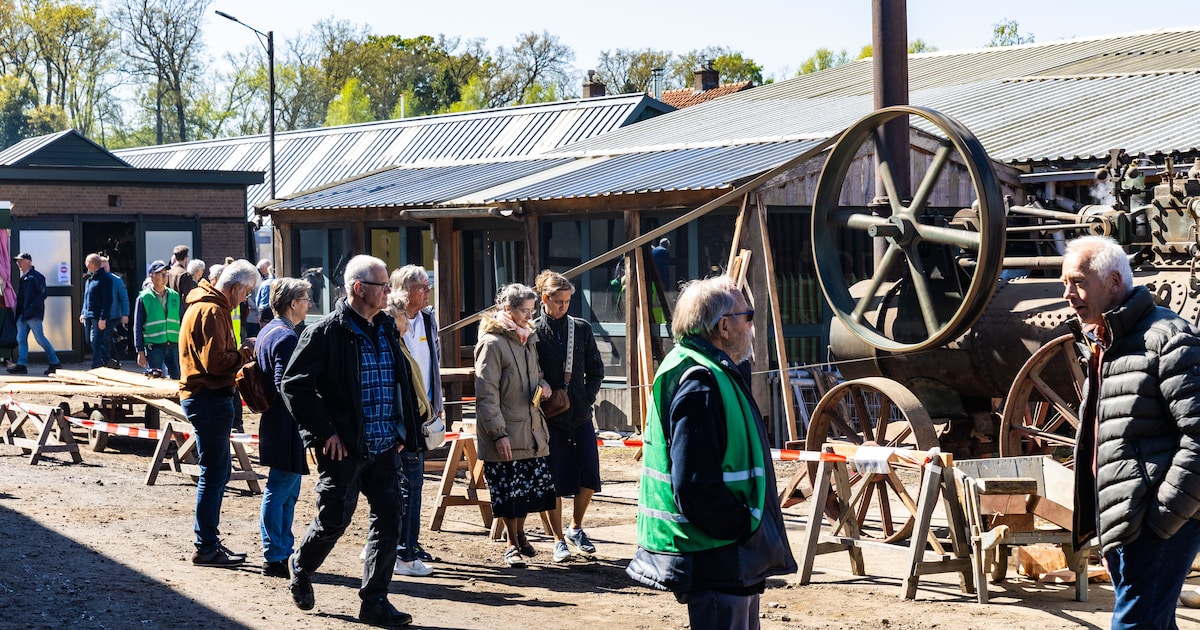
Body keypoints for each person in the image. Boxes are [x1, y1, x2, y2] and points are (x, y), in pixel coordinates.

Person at [626, 276, 795, 630]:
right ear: (724, 327)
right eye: (747, 316)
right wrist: (741, 525)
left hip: (730, 555)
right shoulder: (699, 382)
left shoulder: (712, 372)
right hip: (718, 556)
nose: (751, 326)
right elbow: (694, 487)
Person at [1063, 235, 1200, 629]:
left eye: (1078, 282)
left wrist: (1161, 521)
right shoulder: (1106, 344)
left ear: (1114, 282)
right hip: (1126, 520)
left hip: (1154, 520)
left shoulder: (1168, 338)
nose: (1068, 294)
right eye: (1065, 284)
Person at [281, 255, 422, 627]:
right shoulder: (325, 332)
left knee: (390, 520)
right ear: (360, 289)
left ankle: (374, 601)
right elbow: (294, 387)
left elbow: (401, 381)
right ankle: (301, 565)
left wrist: (404, 428)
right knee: (333, 519)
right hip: (344, 447)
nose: (389, 292)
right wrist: (325, 432)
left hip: (385, 445)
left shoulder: (387, 328)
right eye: (383, 286)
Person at [179, 259, 258, 568]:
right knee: (214, 476)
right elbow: (215, 363)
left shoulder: (205, 304)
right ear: (236, 286)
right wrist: (246, 352)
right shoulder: (212, 310)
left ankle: (208, 543)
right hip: (209, 397)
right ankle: (206, 546)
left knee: (216, 474)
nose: (247, 299)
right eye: (247, 292)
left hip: (205, 397)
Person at [474, 283, 558, 568]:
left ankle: (520, 534)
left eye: (531, 311)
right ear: (507, 309)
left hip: (531, 427)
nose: (529, 316)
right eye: (524, 311)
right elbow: (487, 394)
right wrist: (498, 433)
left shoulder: (528, 339)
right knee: (510, 491)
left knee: (527, 490)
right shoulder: (492, 343)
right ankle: (510, 543)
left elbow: (535, 373)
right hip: (507, 430)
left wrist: (543, 383)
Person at [532, 270, 605, 562]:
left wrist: (585, 398)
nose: (563, 307)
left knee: (589, 475)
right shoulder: (534, 331)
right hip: (549, 418)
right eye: (558, 301)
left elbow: (596, 370)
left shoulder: (582, 328)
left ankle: (576, 527)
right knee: (553, 480)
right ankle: (557, 538)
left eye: (567, 301)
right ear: (545, 299)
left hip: (581, 415)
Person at [257, 277, 312, 579]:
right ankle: (275, 554)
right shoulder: (286, 337)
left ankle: (279, 551)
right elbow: (284, 385)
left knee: (286, 489)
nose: (309, 304)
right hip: (285, 423)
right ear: (293, 304)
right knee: (280, 490)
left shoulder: (269, 330)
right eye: (305, 299)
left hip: (278, 422)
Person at [390, 265, 442, 575]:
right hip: (401, 418)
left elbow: (434, 360)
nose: (428, 291)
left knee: (414, 483)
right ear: (405, 291)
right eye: (423, 286)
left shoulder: (428, 318)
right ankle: (400, 549)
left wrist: (437, 402)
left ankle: (407, 542)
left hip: (424, 413)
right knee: (406, 484)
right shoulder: (390, 324)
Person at [8, 253, 61, 376]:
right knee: (21, 339)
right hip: (22, 315)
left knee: (40, 339)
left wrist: (31, 309)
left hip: (32, 314)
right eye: (17, 262)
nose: (18, 264)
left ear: (29, 262)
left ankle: (55, 362)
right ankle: (22, 365)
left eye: (20, 261)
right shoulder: (24, 278)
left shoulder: (37, 277)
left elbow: (42, 294)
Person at [134, 260, 182, 380]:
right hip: (154, 346)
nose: (164, 277)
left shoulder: (174, 296)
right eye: (161, 274)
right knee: (155, 379)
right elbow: (137, 325)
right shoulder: (144, 298)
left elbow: (182, 319)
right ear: (152, 276)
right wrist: (140, 351)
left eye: (166, 274)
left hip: (174, 345)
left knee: (177, 378)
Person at [79, 253, 113, 369]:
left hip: (97, 316)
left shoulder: (105, 279)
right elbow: (86, 297)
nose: (85, 265)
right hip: (88, 315)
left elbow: (107, 301)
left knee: (95, 341)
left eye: (87, 263)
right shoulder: (89, 279)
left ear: (93, 264)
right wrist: (83, 312)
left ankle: (96, 365)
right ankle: (107, 359)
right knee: (89, 341)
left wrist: (103, 318)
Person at [102, 258, 130, 367]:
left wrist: (125, 314)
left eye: (106, 266)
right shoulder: (94, 279)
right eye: (102, 267)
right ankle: (114, 360)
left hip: (113, 315)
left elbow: (124, 298)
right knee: (106, 338)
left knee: (106, 338)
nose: (104, 269)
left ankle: (107, 361)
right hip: (99, 315)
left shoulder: (117, 280)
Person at [167, 245, 197, 315]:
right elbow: (187, 297)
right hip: (181, 312)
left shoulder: (167, 273)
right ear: (186, 258)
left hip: (168, 309)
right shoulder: (185, 274)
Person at [245, 259, 272, 337]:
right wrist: (256, 308)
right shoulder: (255, 277)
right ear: (263, 267)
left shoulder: (263, 280)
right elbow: (248, 296)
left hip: (257, 315)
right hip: (253, 316)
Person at [253, 259, 276, 328]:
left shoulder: (264, 283)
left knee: (264, 329)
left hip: (262, 310)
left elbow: (257, 300)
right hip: (272, 310)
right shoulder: (278, 283)